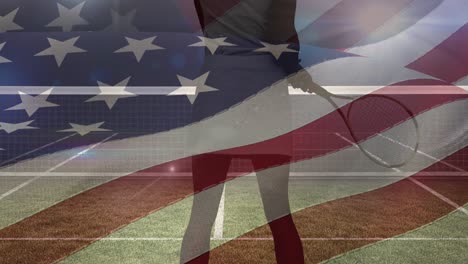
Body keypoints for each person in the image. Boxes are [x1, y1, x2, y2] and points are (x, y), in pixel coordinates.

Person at [180, 0, 322, 263]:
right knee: (279, 214)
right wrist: (296, 71)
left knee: (201, 216)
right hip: (266, 99)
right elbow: (279, 38)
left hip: (215, 93)